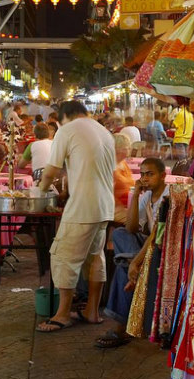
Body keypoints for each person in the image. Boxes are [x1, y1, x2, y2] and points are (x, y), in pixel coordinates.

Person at [36, 100, 115, 332]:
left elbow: (51, 171)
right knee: (95, 259)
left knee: (63, 257)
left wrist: (39, 193)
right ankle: (91, 311)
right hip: (103, 206)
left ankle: (62, 314)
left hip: (82, 207)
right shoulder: (104, 131)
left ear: (64, 117)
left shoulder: (67, 130)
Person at [95, 157, 168, 348]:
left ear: (163, 176)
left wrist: (136, 261)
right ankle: (131, 266)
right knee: (119, 234)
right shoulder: (146, 196)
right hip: (147, 246)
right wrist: (135, 195)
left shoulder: (168, 198)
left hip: (163, 248)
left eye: (150, 174)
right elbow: (131, 227)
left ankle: (121, 327)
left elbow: (155, 237)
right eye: (142, 174)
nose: (145, 178)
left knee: (123, 268)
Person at [112, 134, 135, 224]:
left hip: (127, 204)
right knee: (140, 219)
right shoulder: (111, 167)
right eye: (126, 148)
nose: (129, 150)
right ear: (117, 149)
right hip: (116, 208)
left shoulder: (123, 163)